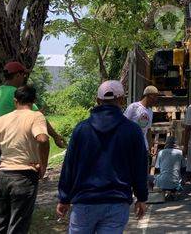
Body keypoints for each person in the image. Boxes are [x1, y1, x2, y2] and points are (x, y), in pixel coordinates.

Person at [56, 80, 147, 233]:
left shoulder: (81, 129)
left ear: (98, 101)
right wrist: (141, 198)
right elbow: (139, 167)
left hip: (84, 202)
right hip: (117, 203)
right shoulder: (133, 131)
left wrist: (64, 198)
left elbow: (69, 165)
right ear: (122, 100)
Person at [0, 61, 65, 230]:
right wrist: (56, 137)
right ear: (17, 75)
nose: (24, 78)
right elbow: (38, 118)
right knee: (18, 218)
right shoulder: (17, 94)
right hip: (15, 147)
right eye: (23, 74)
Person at [0, 85, 50, 234]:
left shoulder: (3, 119)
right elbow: (42, 139)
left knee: (1, 221)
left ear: (15, 101)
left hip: (3, 176)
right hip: (24, 176)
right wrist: (43, 165)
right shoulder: (36, 116)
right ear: (34, 100)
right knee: (18, 224)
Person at [124, 85, 160, 155]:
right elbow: (123, 124)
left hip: (143, 147)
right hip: (131, 146)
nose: (156, 99)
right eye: (155, 96)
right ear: (149, 96)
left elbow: (148, 130)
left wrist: (151, 146)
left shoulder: (150, 111)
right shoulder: (134, 107)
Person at [154, 136, 185, 201]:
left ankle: (156, 195)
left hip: (162, 182)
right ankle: (174, 192)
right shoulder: (180, 152)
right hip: (176, 183)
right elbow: (183, 168)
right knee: (180, 176)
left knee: (149, 178)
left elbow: (157, 167)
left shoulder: (161, 152)